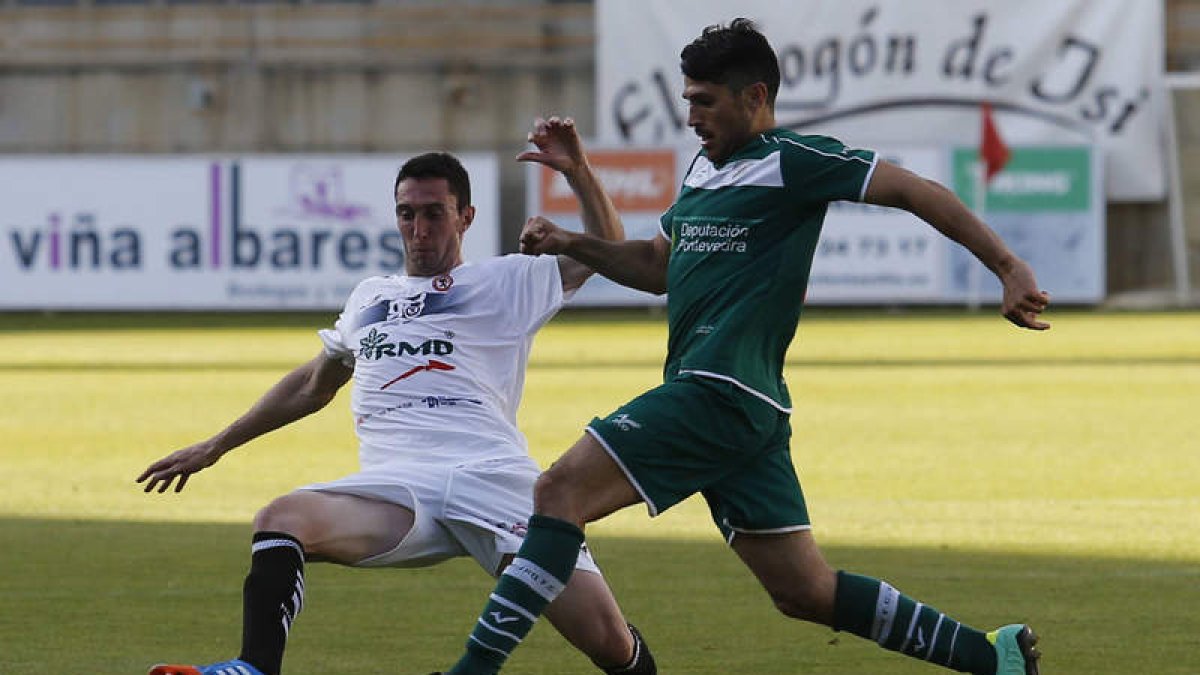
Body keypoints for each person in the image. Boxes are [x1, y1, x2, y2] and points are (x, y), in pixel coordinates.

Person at [437, 18, 1048, 675]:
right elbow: (655, 266)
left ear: (754, 97)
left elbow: (916, 190)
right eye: (688, 101)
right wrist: (572, 240)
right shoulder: (706, 169)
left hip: (716, 391)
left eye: (706, 101)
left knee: (557, 490)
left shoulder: (794, 160)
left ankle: (472, 670)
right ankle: (993, 656)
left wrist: (1007, 266)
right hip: (744, 411)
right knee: (805, 591)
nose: (693, 117)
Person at [136, 128, 656, 675]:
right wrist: (215, 446)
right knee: (280, 517)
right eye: (407, 214)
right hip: (400, 491)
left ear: (466, 217)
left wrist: (577, 173)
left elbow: (612, 252)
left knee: (607, 642)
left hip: (493, 478)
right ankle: (253, 668)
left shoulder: (507, 280)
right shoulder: (371, 296)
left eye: (434, 213)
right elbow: (312, 386)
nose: (418, 228)